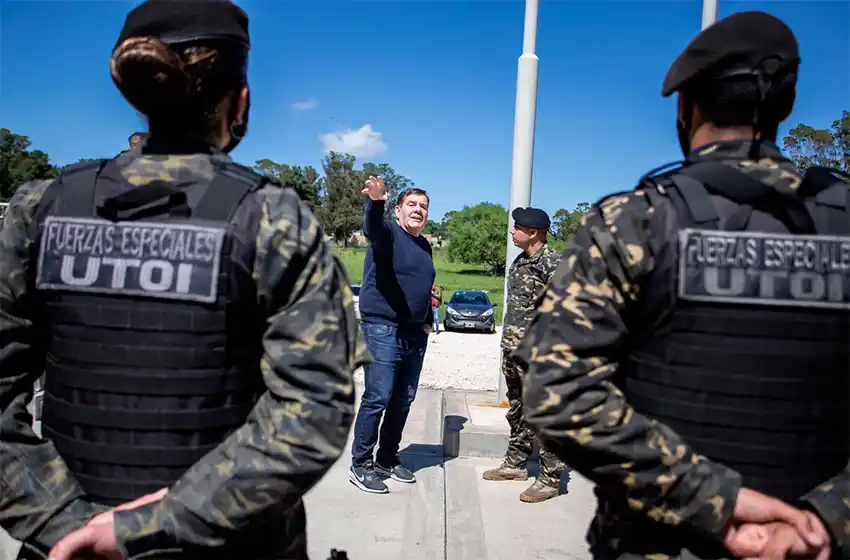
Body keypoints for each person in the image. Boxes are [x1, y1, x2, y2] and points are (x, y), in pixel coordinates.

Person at [0, 2, 367, 559]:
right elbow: (315, 411)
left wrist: (68, 527)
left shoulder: (40, 210)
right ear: (240, 102)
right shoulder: (272, 219)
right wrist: (151, 526)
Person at [517, 10, 849, 560]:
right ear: (786, 107)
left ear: (683, 108)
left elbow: (554, 393)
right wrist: (821, 520)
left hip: (662, 544)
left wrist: (711, 498)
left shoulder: (637, 222)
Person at [349, 176, 435, 494]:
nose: (418, 210)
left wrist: (426, 320)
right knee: (378, 397)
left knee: (402, 401)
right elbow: (372, 227)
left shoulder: (423, 244)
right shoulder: (388, 234)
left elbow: (423, 286)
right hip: (382, 328)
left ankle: (386, 458)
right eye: (411, 204)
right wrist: (376, 201)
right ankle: (361, 464)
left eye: (423, 206)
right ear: (398, 210)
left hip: (414, 334)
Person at [483, 207, 565, 503]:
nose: (512, 231)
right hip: (514, 351)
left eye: (517, 227)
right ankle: (515, 464)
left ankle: (550, 478)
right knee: (518, 410)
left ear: (533, 233)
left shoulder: (554, 264)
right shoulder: (520, 262)